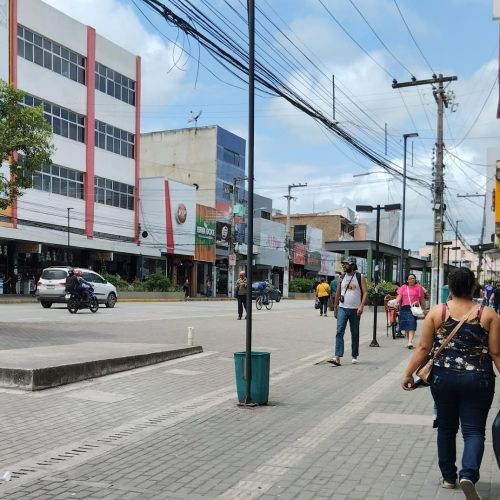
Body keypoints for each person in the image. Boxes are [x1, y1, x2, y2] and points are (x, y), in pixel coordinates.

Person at [401, 268, 500, 498]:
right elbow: (496, 353)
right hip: (478, 379)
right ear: (473, 286)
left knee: (446, 428)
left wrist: (408, 373)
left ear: (451, 287)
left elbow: (424, 348)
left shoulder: (438, 312)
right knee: (474, 430)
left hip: (442, 378)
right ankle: (468, 475)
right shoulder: (489, 314)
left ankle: (448, 477)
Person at [330, 257, 368, 365]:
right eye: (343, 264)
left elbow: (365, 292)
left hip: (355, 310)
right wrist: (335, 307)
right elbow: (338, 293)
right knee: (339, 331)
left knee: (355, 333)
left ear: (352, 265)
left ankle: (354, 355)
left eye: (346, 264)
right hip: (343, 308)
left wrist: (361, 306)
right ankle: (337, 356)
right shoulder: (341, 277)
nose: (344, 266)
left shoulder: (360, 277)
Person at [392, 273, 427, 349]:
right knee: (407, 326)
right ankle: (409, 341)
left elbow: (422, 299)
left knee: (412, 324)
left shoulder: (419, 287)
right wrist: (396, 302)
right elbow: (399, 296)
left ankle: (410, 341)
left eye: (413, 278)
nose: (412, 279)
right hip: (404, 308)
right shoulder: (403, 287)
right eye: (410, 278)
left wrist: (424, 308)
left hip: (414, 308)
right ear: (407, 280)